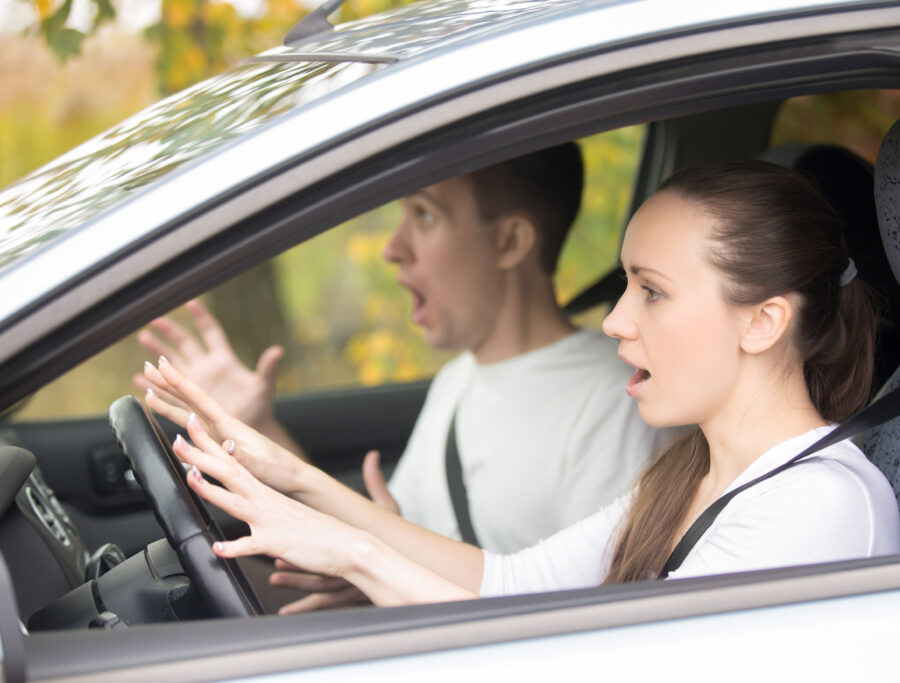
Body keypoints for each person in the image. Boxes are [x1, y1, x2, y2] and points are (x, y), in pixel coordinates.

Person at [143, 159, 900, 607]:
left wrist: (353, 555)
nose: (614, 320)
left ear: (762, 321)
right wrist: (290, 474)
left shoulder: (818, 507)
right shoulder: (690, 476)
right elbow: (505, 584)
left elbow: (594, 666)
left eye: (652, 291)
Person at [136, 143, 668, 555]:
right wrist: (257, 429)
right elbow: (389, 538)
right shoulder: (457, 382)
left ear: (509, 242)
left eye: (426, 216)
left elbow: (586, 622)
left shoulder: (616, 404)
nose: (393, 248)